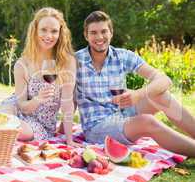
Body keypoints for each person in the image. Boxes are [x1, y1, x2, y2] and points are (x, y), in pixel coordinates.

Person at [75, 10, 195, 156]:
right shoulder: (75, 61)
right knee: (147, 122)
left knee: (162, 96)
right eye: (93, 32)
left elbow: (164, 80)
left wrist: (139, 94)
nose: (99, 37)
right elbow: (69, 97)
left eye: (104, 31)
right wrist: (64, 128)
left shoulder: (123, 56)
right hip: (97, 127)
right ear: (86, 35)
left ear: (111, 33)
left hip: (123, 113)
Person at [0, 7, 81, 147]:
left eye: (54, 31)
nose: (49, 36)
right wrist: (38, 99)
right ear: (35, 30)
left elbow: (67, 104)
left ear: (60, 33)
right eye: (44, 30)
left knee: (12, 129)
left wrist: (69, 139)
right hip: (18, 107)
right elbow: (22, 106)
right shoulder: (22, 64)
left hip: (41, 124)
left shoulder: (67, 62)